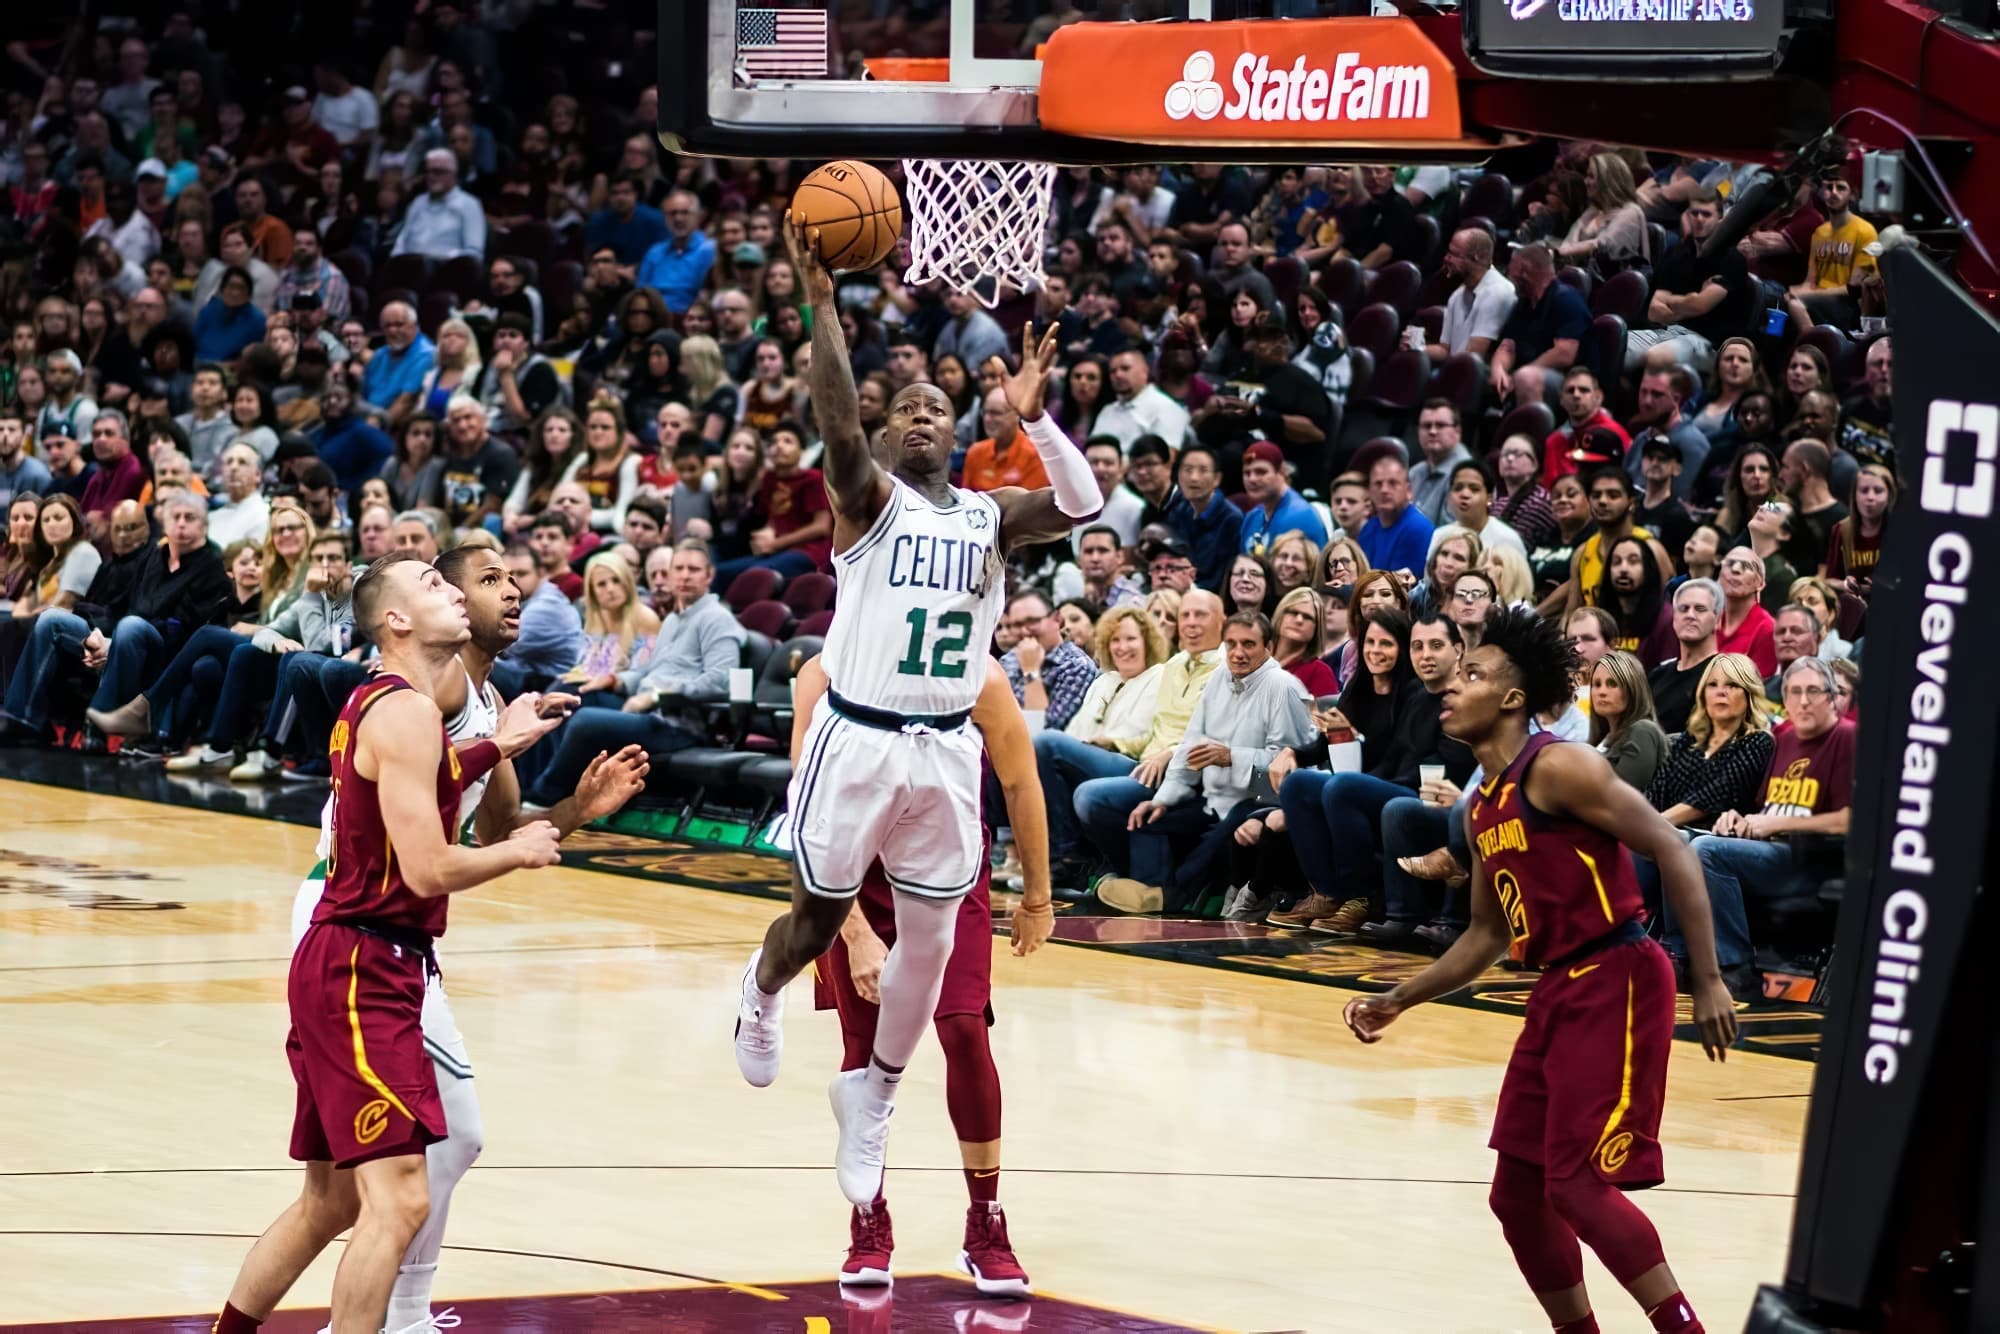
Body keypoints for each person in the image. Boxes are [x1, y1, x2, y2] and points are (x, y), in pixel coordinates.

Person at [731, 217, 1093, 1217]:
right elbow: (839, 421)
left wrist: (1035, 424)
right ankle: (756, 994)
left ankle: (874, 1095)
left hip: (940, 752)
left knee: (932, 956)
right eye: (906, 409)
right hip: (857, 733)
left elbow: (1082, 504)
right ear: (888, 441)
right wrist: (820, 303)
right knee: (813, 920)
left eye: (941, 402)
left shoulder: (988, 513)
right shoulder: (866, 501)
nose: (923, 413)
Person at [1344, 605, 1736, 1334]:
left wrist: (1708, 979)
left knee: (1580, 1187)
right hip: (1558, 985)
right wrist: (1401, 997)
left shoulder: (1559, 765)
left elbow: (1674, 849)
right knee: (1517, 1197)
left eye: (1472, 674)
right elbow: (1488, 933)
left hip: (1617, 971)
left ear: (1515, 698)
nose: (1449, 687)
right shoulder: (1484, 805)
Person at [210, 555, 566, 1334]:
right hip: (363, 965)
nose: (452, 590)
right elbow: (431, 867)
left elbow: (430, 779)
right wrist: (519, 849)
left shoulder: (394, 704)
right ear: (396, 620)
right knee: (402, 1195)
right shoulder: (404, 710)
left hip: (353, 956)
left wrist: (498, 748)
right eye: (433, 585)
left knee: (333, 1200)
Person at [805, 653, 1047, 1296]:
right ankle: (868, 1221)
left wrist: (1039, 898)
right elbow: (810, 818)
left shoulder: (980, 675)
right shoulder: (824, 675)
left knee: (965, 1030)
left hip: (951, 872)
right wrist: (853, 933)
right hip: (853, 878)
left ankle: (986, 1223)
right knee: (863, 1052)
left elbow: (1022, 785)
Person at [1092, 610, 1314, 914]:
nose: (1238, 653)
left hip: (1266, 799)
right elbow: (1190, 746)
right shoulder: (1218, 679)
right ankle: (1148, 889)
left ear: (1269, 648)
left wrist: (1231, 757)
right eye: (1232, 644)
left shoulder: (1282, 687)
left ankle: (1176, 894)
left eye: (1248, 644)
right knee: (1148, 817)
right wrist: (1163, 800)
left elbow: (1289, 761)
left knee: (1231, 819)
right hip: (1216, 794)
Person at [1646, 578, 1723, 734]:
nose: (1690, 615)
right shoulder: (1657, 675)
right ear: (1674, 618)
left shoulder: (1725, 674)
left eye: (1700, 609)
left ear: (1718, 619)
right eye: (1683, 609)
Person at [1590, 649, 1668, 791]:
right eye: (1596, 684)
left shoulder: (1643, 731)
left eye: (1612, 684)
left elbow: (1616, 797)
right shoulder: (1602, 739)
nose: (1601, 692)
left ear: (1633, 689)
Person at [1356, 453, 1435, 577]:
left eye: (1392, 483)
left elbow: (1400, 589)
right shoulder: (1368, 528)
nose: (1384, 490)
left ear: (1408, 491)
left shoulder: (1418, 528)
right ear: (1369, 492)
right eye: (1378, 484)